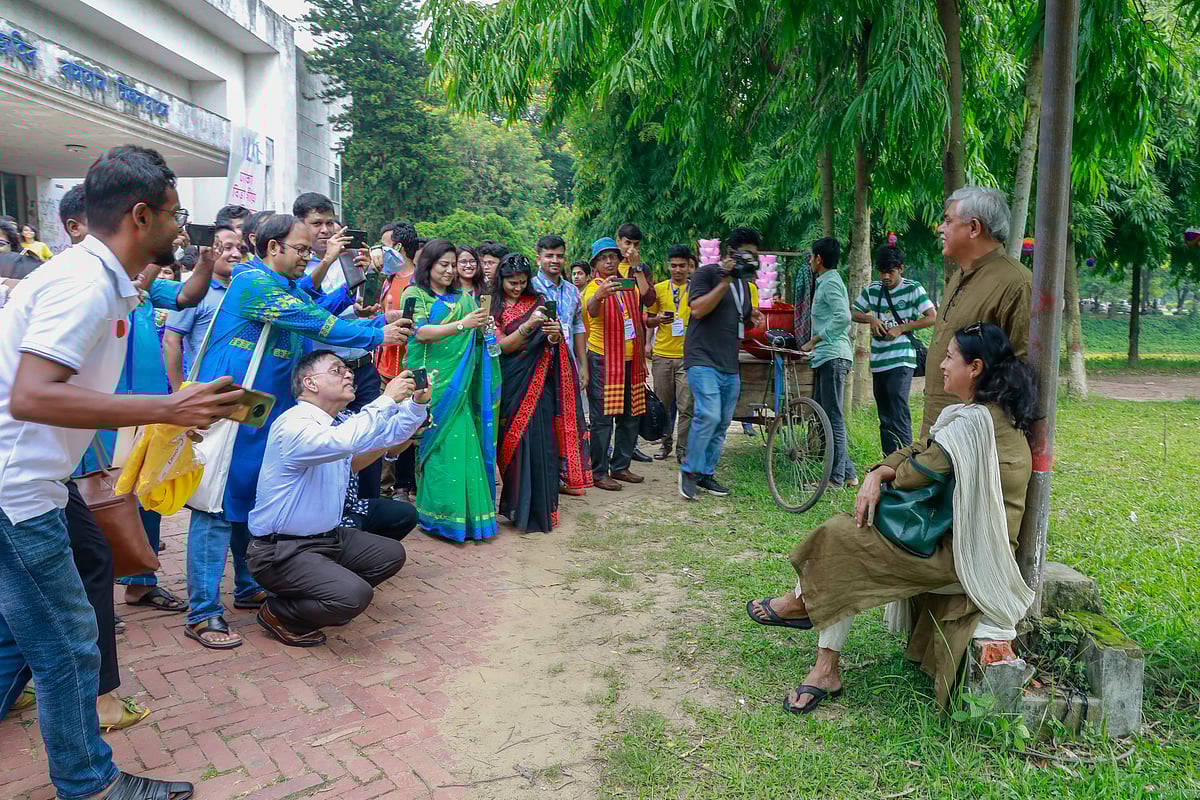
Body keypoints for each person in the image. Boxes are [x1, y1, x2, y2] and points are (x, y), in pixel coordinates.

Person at [0, 143, 244, 800]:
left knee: (34, 631)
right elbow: (31, 394)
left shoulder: (105, 282)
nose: (180, 227)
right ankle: (91, 784)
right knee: (71, 640)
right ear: (141, 216)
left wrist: (165, 416)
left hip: (30, 483)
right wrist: (167, 403)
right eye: (175, 214)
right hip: (16, 491)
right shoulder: (82, 284)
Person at [745, 323, 1037, 713]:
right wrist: (877, 471)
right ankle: (817, 649)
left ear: (976, 367)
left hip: (967, 556)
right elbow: (921, 449)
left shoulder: (978, 423)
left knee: (843, 537)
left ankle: (807, 620)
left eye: (950, 357)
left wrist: (879, 474)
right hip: (950, 537)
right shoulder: (977, 414)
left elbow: (918, 469)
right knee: (846, 534)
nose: (941, 365)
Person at [183, 213, 412, 649]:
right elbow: (317, 324)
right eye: (302, 250)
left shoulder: (285, 287)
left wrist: (378, 325)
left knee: (248, 503)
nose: (309, 258)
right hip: (233, 412)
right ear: (272, 248)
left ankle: (249, 587)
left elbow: (315, 311)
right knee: (213, 509)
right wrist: (379, 333)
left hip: (265, 417)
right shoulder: (252, 283)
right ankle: (204, 613)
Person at [246, 351, 428, 645]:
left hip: (328, 538)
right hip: (279, 551)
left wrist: (417, 404)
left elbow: (389, 436)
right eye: (337, 370)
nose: (348, 374)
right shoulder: (294, 424)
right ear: (310, 383)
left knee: (390, 554)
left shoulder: (337, 422)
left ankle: (320, 596)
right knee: (355, 595)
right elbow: (345, 441)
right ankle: (279, 612)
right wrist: (386, 399)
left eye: (347, 369)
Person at [400, 240, 500, 541]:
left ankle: (466, 519)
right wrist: (462, 325)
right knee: (434, 449)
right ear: (427, 265)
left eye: (452, 265)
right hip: (430, 383)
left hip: (459, 385)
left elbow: (477, 339)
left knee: (461, 446)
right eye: (443, 264)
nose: (449, 270)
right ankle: (436, 517)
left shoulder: (464, 298)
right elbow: (419, 333)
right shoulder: (414, 293)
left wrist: (484, 329)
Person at [924, 186, 1032, 439]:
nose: (941, 228)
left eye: (948, 221)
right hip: (940, 430)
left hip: (976, 441)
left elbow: (1022, 373)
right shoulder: (959, 276)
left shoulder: (1017, 284)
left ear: (974, 228)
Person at [295, 193, 384, 497]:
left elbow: (356, 306)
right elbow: (312, 307)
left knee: (370, 435)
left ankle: (369, 509)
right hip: (324, 373)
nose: (324, 229)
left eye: (329, 222)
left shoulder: (351, 260)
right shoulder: (297, 267)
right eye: (316, 223)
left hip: (362, 365)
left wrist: (369, 279)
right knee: (329, 443)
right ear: (300, 225)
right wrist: (329, 258)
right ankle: (331, 511)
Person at [494, 253, 590, 530]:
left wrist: (553, 334)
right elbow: (501, 347)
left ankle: (540, 512)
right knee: (512, 446)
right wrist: (529, 325)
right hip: (508, 383)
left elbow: (550, 342)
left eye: (522, 282)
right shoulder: (493, 306)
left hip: (539, 384)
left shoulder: (536, 302)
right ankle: (516, 508)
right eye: (512, 282)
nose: (517, 287)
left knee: (542, 446)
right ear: (502, 280)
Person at [678, 228, 766, 500]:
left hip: (729, 363)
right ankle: (689, 471)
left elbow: (740, 321)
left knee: (722, 422)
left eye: (755, 255)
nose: (751, 260)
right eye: (746, 254)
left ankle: (706, 473)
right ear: (731, 253)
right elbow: (698, 309)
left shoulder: (745, 286)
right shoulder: (707, 274)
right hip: (702, 358)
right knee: (709, 415)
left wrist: (753, 318)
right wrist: (725, 280)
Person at [582, 237, 653, 490]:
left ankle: (621, 466)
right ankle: (599, 472)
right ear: (596, 264)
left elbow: (649, 298)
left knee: (630, 415)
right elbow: (591, 311)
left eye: (613, 256)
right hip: (603, 360)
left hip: (631, 361)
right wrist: (600, 296)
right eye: (603, 258)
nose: (609, 261)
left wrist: (637, 268)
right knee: (602, 419)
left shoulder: (628, 285)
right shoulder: (593, 287)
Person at [852, 245, 937, 455]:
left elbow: (932, 317)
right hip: (879, 360)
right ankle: (889, 461)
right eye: (882, 272)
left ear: (901, 269)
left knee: (898, 410)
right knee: (885, 416)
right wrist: (871, 318)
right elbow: (854, 312)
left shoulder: (913, 288)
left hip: (902, 358)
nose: (886, 276)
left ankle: (908, 460)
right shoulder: (873, 289)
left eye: (890, 271)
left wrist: (902, 328)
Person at [801, 237, 857, 488]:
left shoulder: (831, 282)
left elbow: (843, 317)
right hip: (827, 357)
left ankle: (835, 479)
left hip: (833, 355)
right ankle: (848, 474)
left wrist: (816, 339)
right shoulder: (826, 281)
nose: (810, 261)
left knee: (833, 417)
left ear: (819, 259)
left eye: (812, 257)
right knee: (827, 414)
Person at [163, 224, 244, 391]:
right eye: (228, 248)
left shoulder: (241, 291)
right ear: (211, 249)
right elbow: (171, 340)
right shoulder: (192, 291)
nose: (236, 254)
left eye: (239, 248)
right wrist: (180, 391)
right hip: (204, 389)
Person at [376, 220, 422, 502]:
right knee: (384, 427)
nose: (379, 252)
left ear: (398, 248)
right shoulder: (388, 280)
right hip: (384, 368)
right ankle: (384, 491)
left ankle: (409, 487)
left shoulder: (420, 282)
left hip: (410, 367)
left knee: (412, 429)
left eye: (383, 245)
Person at [646, 244, 695, 462]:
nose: (677, 270)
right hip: (662, 356)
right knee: (663, 406)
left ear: (689, 267)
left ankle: (682, 449)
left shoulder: (696, 290)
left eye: (682, 266)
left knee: (686, 406)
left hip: (687, 358)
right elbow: (648, 320)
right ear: (669, 266)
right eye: (674, 265)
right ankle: (665, 445)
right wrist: (648, 343)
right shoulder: (658, 289)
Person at [614, 223, 657, 462]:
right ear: (618, 241)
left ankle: (627, 450)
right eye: (627, 243)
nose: (631, 248)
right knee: (610, 403)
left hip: (634, 342)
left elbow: (649, 299)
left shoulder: (640, 268)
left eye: (636, 245)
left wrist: (637, 268)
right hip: (608, 342)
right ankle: (608, 451)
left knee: (633, 402)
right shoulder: (608, 264)